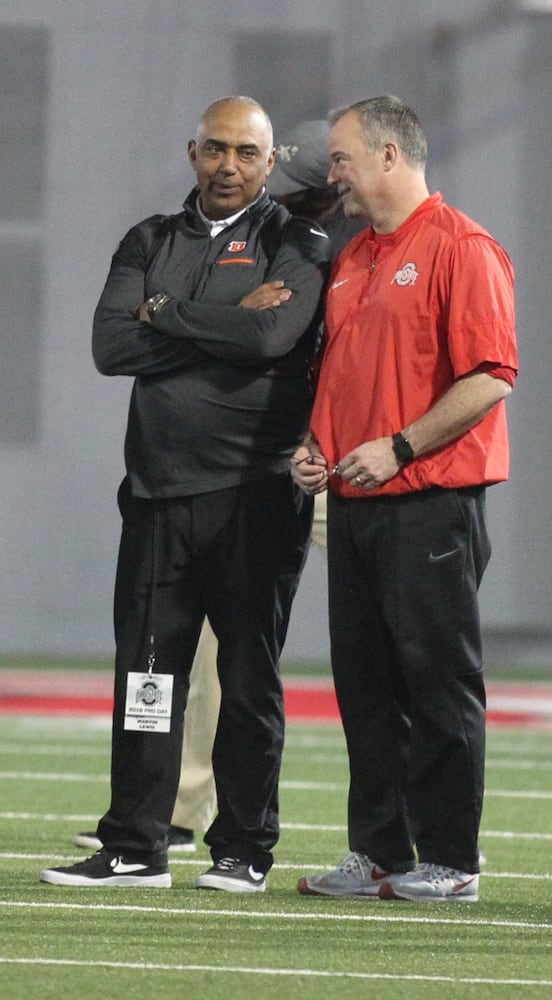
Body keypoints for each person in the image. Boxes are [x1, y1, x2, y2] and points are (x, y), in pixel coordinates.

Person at [41, 96, 328, 892]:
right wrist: (228, 317)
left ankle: (243, 848)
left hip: (257, 495)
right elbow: (109, 344)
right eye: (214, 150)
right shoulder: (149, 237)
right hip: (158, 493)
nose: (228, 166)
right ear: (191, 152)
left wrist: (165, 314)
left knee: (246, 678)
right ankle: (135, 844)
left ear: (269, 164)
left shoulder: (295, 240)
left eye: (245, 152)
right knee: (148, 678)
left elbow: (276, 338)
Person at [292, 96, 517, 903]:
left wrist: (398, 447)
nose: (333, 173)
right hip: (355, 503)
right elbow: (346, 372)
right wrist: (316, 448)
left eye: (344, 157)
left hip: (430, 500)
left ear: (391, 156)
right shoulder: (356, 255)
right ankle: (380, 851)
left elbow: (491, 375)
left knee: (437, 681)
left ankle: (453, 859)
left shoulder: (464, 246)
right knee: (365, 684)